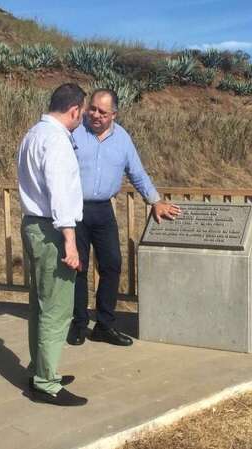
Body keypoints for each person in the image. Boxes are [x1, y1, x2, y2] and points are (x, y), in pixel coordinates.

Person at [68, 89, 181, 347]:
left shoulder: (123, 139)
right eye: (92, 109)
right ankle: (78, 324)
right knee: (78, 268)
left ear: (114, 115)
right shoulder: (74, 132)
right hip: (75, 209)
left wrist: (155, 201)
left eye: (102, 112)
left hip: (104, 211)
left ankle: (105, 325)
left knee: (112, 265)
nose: (95, 115)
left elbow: (137, 173)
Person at [17, 83, 88, 406]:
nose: (82, 118)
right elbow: (60, 193)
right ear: (75, 110)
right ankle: (46, 382)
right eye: (83, 113)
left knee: (40, 303)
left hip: (33, 225)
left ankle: (42, 368)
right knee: (57, 307)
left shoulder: (34, 133)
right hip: (51, 230)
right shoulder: (57, 141)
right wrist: (70, 242)